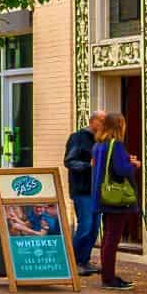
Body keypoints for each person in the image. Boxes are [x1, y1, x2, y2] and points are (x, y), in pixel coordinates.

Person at [90, 111, 142, 290]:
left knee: (107, 238)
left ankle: (108, 275)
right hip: (116, 198)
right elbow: (120, 170)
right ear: (119, 126)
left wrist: (126, 160)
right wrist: (133, 165)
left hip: (103, 196)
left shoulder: (99, 145)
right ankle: (109, 278)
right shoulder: (116, 145)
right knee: (113, 238)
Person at [65, 111, 103, 275]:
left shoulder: (101, 139)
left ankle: (84, 260)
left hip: (96, 190)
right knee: (86, 226)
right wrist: (89, 165)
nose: (104, 124)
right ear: (93, 121)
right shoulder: (77, 138)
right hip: (82, 189)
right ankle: (73, 262)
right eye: (102, 120)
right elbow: (69, 161)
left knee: (94, 228)